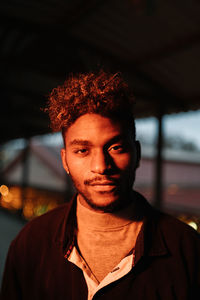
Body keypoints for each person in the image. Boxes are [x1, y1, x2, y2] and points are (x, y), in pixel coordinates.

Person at [1, 70, 200, 300]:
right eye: (82, 150)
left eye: (115, 147)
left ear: (136, 153)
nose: (101, 166)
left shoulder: (187, 250)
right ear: (65, 160)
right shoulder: (31, 244)